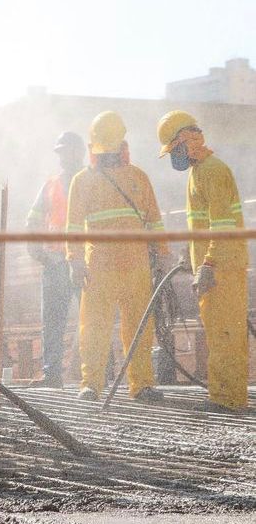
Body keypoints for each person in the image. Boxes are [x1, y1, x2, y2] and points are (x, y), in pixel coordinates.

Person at [66, 111, 167, 404]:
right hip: (99, 267)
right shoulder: (82, 181)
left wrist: (162, 254)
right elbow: (73, 226)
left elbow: (155, 221)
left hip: (135, 266)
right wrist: (74, 259)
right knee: (95, 328)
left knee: (139, 327)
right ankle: (91, 385)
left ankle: (142, 384)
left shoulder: (138, 177)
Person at [157, 111, 249, 413]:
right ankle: (225, 395)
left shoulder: (211, 170)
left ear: (185, 141)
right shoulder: (199, 172)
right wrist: (191, 254)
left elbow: (222, 224)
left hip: (222, 266)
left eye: (174, 150)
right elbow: (204, 223)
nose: (174, 157)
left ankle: (229, 399)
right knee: (220, 333)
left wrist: (208, 264)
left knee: (226, 335)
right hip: (215, 264)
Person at [26, 131, 85, 388]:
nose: (63, 157)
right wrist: (35, 248)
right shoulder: (51, 185)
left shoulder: (91, 180)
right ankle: (52, 375)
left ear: (79, 152)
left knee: (93, 319)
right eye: (60, 152)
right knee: (52, 320)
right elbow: (34, 219)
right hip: (55, 262)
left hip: (84, 262)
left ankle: (100, 374)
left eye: (68, 151)